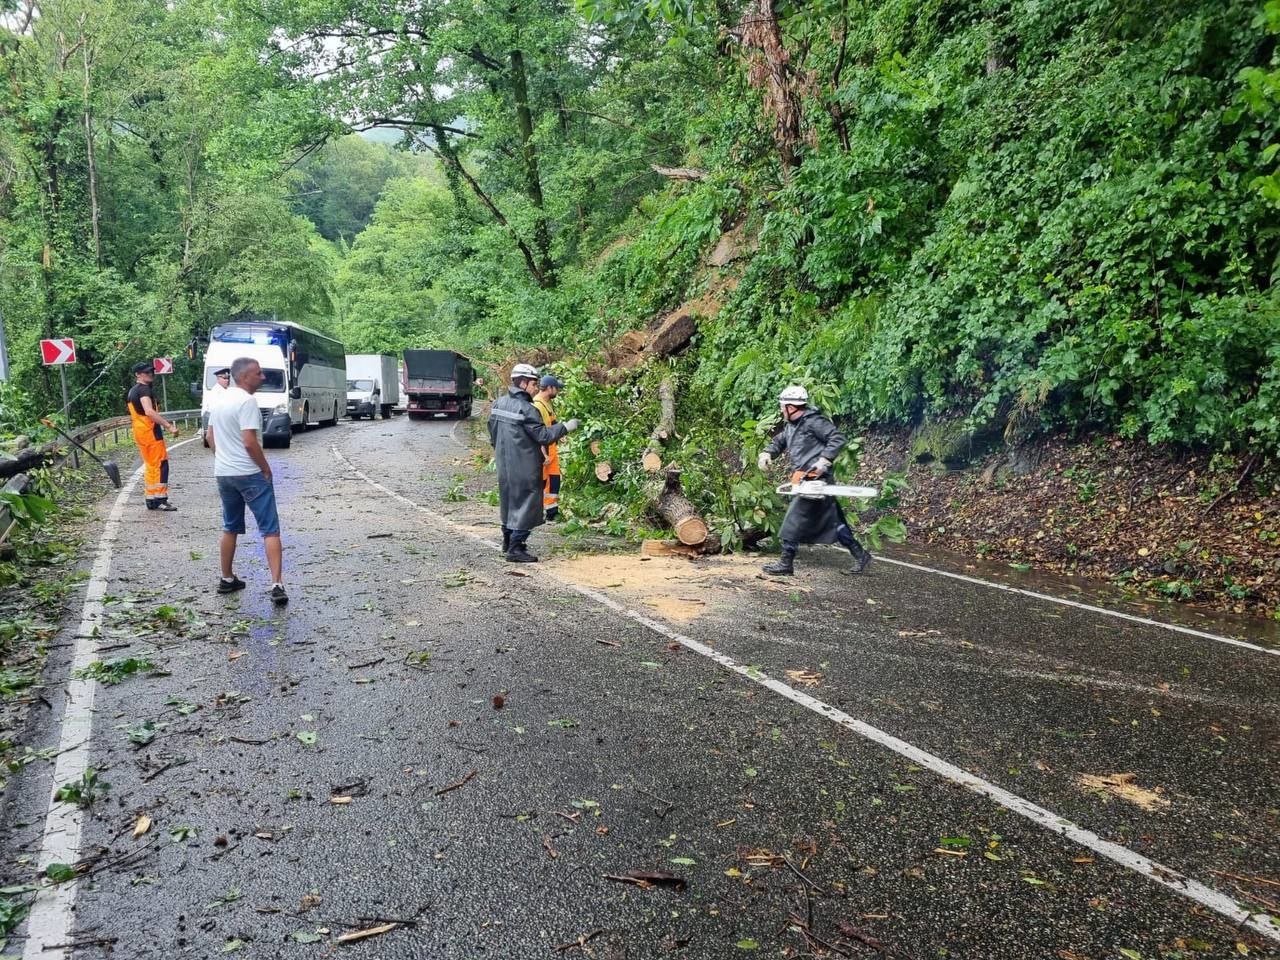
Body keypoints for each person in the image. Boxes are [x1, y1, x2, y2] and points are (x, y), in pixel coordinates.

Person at [757, 385, 871, 576]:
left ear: (791, 407)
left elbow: (837, 438)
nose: (780, 409)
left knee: (793, 518)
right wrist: (767, 453)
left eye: (782, 406)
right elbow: (779, 441)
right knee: (835, 522)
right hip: (804, 480)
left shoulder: (814, 422)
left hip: (817, 481)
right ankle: (860, 554)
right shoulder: (792, 426)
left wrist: (825, 459)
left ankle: (786, 562)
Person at [206, 357, 288, 605]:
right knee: (270, 528)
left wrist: (222, 459)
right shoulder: (247, 401)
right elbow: (249, 442)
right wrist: (265, 468)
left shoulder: (219, 400)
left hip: (224, 473)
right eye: (258, 374)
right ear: (244, 376)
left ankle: (227, 578)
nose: (262, 377)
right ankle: (276, 584)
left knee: (230, 526)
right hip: (249, 473)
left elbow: (210, 436)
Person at [488, 363, 579, 562]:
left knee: (509, 501)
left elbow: (492, 433)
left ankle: (507, 541)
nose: (536, 387)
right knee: (528, 503)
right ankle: (516, 548)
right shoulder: (527, 409)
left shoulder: (498, 403)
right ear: (523, 383)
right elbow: (543, 435)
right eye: (533, 383)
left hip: (504, 463)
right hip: (525, 465)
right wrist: (566, 427)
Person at [127, 361, 180, 511]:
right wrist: (168, 426)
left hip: (140, 432)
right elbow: (149, 411)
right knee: (161, 464)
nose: (150, 374)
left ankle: (151, 499)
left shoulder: (133, 391)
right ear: (138, 374)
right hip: (150, 432)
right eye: (146, 372)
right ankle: (161, 499)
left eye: (151, 372)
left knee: (150, 465)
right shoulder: (144, 390)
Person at [532, 374, 565, 521]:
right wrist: (543, 454)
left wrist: (560, 433)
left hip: (551, 449)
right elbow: (538, 433)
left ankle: (551, 510)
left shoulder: (547, 403)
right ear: (549, 388)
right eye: (556, 388)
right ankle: (537, 511)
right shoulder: (538, 406)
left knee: (554, 480)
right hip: (544, 450)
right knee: (543, 482)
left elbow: (552, 422)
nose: (558, 391)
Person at [201, 367, 231, 448]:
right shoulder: (216, 391)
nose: (227, 380)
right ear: (218, 378)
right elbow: (216, 409)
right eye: (224, 378)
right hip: (218, 422)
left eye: (228, 378)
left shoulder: (226, 391)